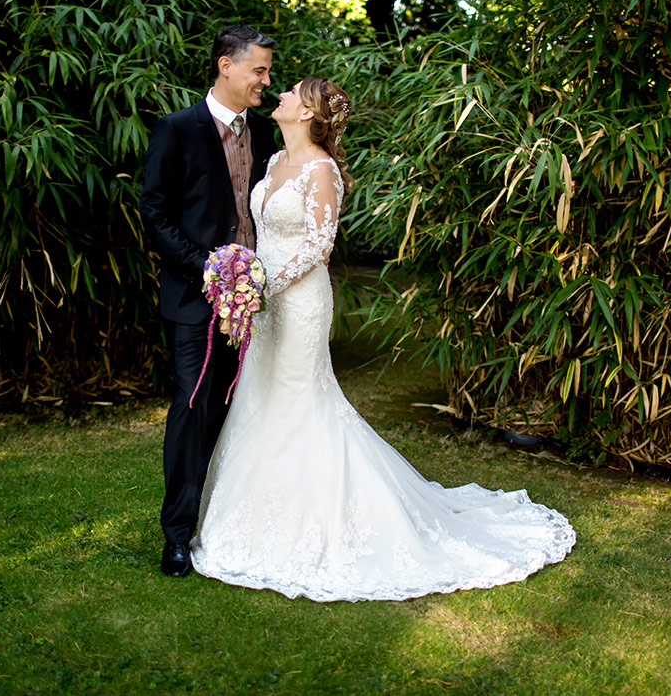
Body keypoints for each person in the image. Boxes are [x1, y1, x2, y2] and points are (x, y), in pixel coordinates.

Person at [189, 76, 576, 601]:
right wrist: (243, 273)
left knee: (301, 399)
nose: (277, 95)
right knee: (261, 397)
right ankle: (251, 522)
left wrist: (263, 284)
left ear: (306, 113)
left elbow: (320, 248)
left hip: (299, 300)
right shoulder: (275, 163)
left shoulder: (321, 170)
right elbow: (259, 231)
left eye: (290, 93)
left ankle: (328, 523)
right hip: (263, 301)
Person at [138, 25, 278, 577]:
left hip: (253, 306)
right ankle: (176, 535)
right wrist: (209, 268)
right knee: (192, 410)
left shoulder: (265, 133)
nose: (266, 80)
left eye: (267, 71)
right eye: (259, 70)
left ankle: (228, 522)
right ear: (226, 66)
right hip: (197, 302)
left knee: (236, 411)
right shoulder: (177, 129)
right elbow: (155, 214)